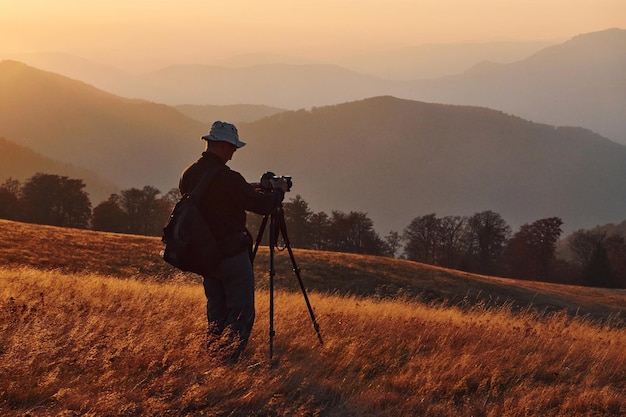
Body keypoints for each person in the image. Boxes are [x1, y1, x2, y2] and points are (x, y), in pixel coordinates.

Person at [179, 121, 289, 363]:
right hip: (231, 255)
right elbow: (263, 206)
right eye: (232, 147)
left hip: (205, 256)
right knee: (241, 312)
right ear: (222, 145)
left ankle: (213, 359)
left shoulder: (190, 173)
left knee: (216, 311)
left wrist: (251, 188)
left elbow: (215, 194)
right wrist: (278, 191)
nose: (234, 152)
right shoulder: (228, 178)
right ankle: (227, 362)